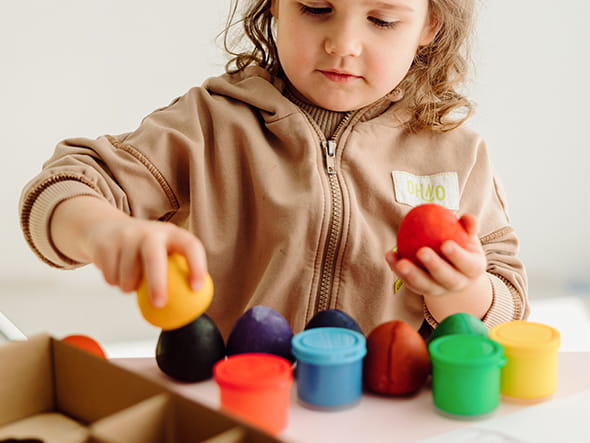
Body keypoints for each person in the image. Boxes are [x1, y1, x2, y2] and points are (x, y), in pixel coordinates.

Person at [18, 0, 528, 339]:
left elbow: (510, 308)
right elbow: (59, 190)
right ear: (276, 6)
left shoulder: (456, 153)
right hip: (230, 406)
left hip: (382, 415)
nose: (343, 43)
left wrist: (459, 291)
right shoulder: (211, 124)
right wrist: (104, 231)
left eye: (381, 19)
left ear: (429, 25)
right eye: (316, 8)